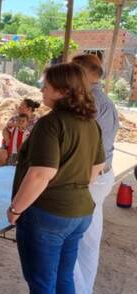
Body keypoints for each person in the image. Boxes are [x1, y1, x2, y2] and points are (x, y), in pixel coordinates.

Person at [8, 63, 105, 293]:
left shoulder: (51, 123)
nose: (42, 90)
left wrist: (16, 209)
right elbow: (98, 165)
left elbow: (41, 174)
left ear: (63, 91)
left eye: (47, 86)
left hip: (47, 215)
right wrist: (73, 187)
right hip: (79, 212)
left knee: (42, 283)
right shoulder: (90, 124)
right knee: (63, 277)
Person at [72, 54, 120, 294]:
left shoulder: (93, 103)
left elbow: (89, 151)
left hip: (89, 179)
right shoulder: (99, 101)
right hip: (97, 177)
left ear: (83, 72)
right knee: (88, 240)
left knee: (69, 240)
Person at [0, 98, 41, 166]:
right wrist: (7, 140)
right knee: (1, 154)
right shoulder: (15, 118)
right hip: (12, 146)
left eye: (21, 105)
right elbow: (5, 130)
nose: (19, 107)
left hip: (29, 148)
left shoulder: (37, 121)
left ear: (29, 109)